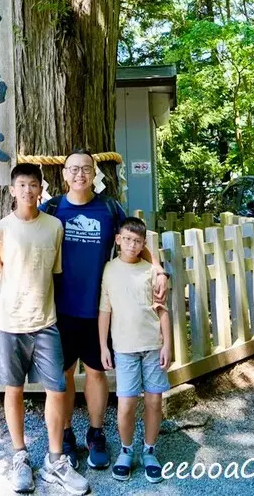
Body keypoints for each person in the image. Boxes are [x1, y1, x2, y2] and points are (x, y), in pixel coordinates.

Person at [39, 150, 168, 471]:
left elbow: (134, 238)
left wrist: (159, 268)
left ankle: (96, 433)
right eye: (73, 169)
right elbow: (22, 225)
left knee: (97, 373)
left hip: (100, 309)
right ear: (64, 174)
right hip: (61, 308)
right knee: (65, 374)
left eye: (86, 168)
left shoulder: (109, 208)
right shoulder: (52, 209)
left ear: (94, 173)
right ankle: (66, 433)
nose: (79, 174)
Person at [0, 162, 90, 495]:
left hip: (46, 321)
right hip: (10, 322)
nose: (28, 191)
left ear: (41, 188)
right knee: (13, 389)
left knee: (58, 389)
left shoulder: (54, 226)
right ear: (12, 190)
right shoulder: (0, 229)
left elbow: (55, 269)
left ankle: (55, 459)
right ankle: (20, 456)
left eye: (34, 185)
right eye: (22, 185)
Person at [98, 216, 171, 484]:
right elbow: (105, 310)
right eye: (127, 239)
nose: (131, 245)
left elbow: (163, 311)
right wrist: (103, 346)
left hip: (152, 346)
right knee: (126, 403)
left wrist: (168, 345)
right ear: (118, 240)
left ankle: (150, 449)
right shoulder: (109, 269)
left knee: (153, 400)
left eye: (137, 241)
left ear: (143, 245)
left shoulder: (151, 271)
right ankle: (126, 450)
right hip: (124, 348)